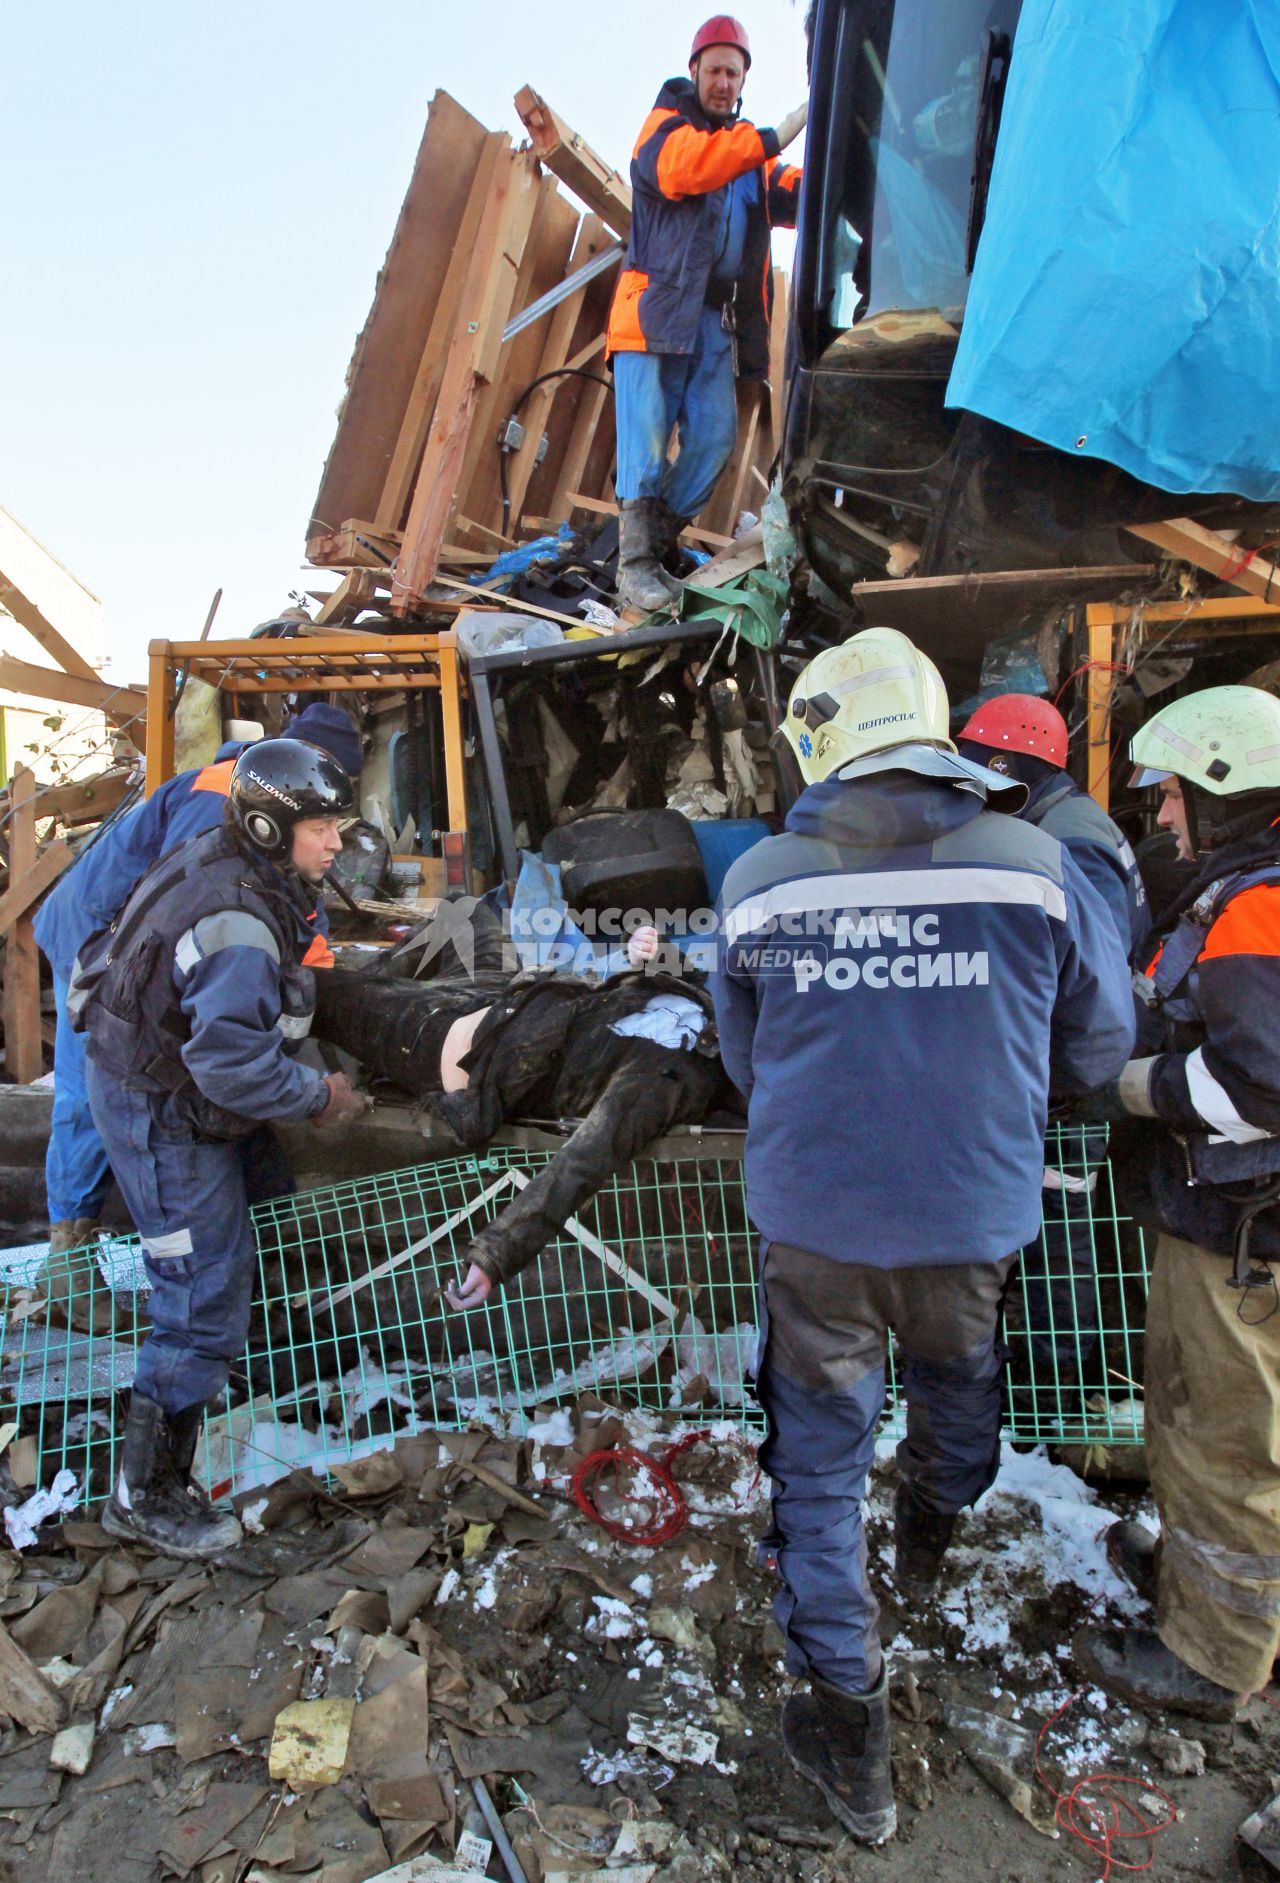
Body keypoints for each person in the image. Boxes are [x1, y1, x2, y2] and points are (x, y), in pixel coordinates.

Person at [710, 628, 1134, 1842]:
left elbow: (748, 1056)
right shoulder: (1033, 863)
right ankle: (932, 1530)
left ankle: (851, 1737)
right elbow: (1097, 1048)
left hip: (819, 1230)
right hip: (971, 1216)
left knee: (817, 1461)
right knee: (958, 1383)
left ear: (822, 734)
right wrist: (990, 1090)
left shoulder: (763, 881)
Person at [71, 740, 371, 1559]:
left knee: (256, 1221)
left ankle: (233, 1381)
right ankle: (148, 1489)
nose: (336, 843)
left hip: (173, 1088)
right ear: (272, 828)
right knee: (204, 1279)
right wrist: (319, 1096)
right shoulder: (234, 917)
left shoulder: (234, 858)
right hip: (160, 1110)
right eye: (321, 828)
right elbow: (229, 1060)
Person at [1074, 685, 1280, 1722]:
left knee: (1221, 1437)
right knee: (1215, 1425)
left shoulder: (1253, 905)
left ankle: (1212, 1657)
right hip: (1235, 1221)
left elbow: (1259, 1086)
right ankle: (1205, 1586)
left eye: (1170, 795)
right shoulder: (1244, 890)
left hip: (1238, 1232)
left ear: (1225, 793)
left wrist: (1131, 1086)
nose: (1159, 816)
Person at [32, 703, 363, 1267]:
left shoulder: (267, 810)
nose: (331, 830)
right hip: (98, 941)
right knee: (104, 1081)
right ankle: (70, 1260)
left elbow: (284, 900)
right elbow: (189, 910)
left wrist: (316, 964)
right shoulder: (222, 800)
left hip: (125, 940)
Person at [312, 923, 724, 1311]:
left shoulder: (669, 1076)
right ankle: (373, 1004)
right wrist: (659, 953)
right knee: (463, 914)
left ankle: (357, 1023)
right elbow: (694, 981)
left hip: (457, 1042)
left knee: (314, 989)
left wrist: (496, 1255)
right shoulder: (711, 1015)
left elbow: (584, 1160)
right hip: (511, 997)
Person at [958, 693, 1148, 1383]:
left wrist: (1046, 1077)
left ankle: (1057, 1388)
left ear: (1010, 765)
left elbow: (1092, 975)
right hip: (1066, 1077)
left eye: (978, 767)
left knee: (1058, 1237)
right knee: (1056, 1229)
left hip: (1070, 1085)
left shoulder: (1067, 839)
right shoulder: (1065, 819)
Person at [606, 15, 806, 611]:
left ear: (744, 80)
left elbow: (793, 190)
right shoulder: (666, 128)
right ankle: (635, 565)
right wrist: (773, 135)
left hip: (712, 322)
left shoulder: (750, 157)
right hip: (654, 310)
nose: (723, 81)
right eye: (714, 69)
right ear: (695, 72)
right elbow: (688, 168)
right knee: (644, 437)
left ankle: (651, 548)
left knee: (714, 439)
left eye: (733, 71)